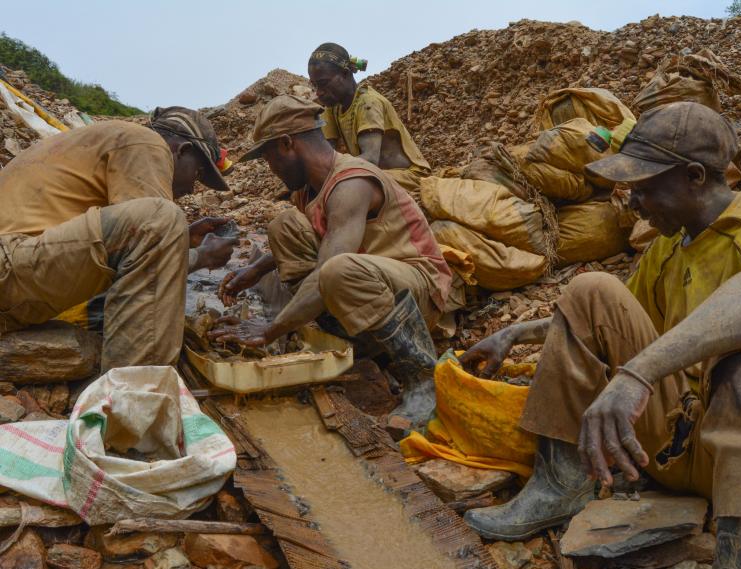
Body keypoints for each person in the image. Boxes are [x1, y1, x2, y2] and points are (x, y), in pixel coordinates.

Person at [459, 102, 741, 569]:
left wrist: (638, 373)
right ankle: (559, 487)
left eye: (644, 187)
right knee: (590, 288)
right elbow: (605, 316)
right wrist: (516, 334)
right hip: (664, 444)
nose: (633, 203)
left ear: (694, 176)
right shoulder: (668, 248)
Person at [210, 95, 451, 429]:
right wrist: (254, 270)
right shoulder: (308, 190)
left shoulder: (351, 182)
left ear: (287, 143)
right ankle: (352, 344)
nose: (271, 169)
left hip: (417, 289)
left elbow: (329, 267)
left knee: (337, 270)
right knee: (284, 227)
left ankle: (423, 379)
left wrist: (272, 328)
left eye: (269, 158)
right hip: (368, 282)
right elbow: (319, 240)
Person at [0, 107, 237, 372]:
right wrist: (200, 256)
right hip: (10, 265)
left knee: (163, 223)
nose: (193, 187)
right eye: (198, 174)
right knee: (163, 218)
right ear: (182, 150)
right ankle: (134, 393)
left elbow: (127, 247)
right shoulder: (148, 143)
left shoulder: (107, 139)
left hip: (15, 266)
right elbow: (152, 232)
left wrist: (184, 238)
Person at [307, 42, 431, 193]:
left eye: (323, 83)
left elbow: (371, 159)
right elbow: (326, 155)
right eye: (315, 85)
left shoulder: (368, 103)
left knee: (347, 186)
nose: (319, 92)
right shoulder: (333, 107)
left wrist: (332, 172)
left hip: (409, 177)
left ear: (345, 74)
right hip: (374, 174)